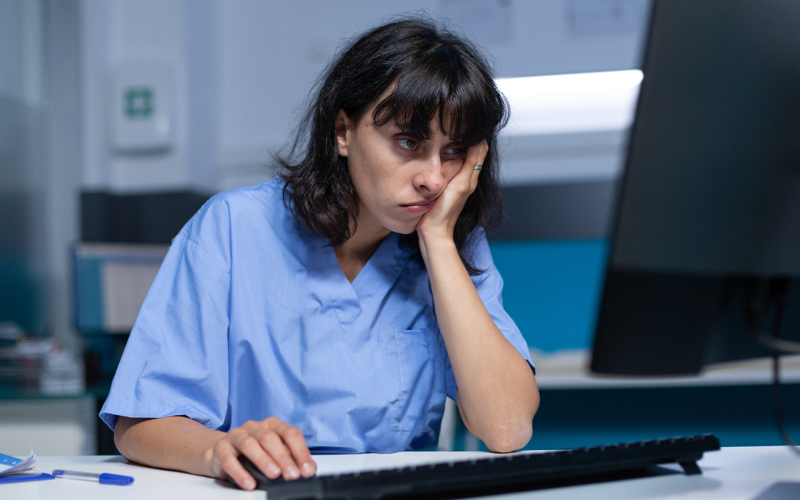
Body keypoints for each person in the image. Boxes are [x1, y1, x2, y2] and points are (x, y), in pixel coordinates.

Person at [101, 17, 539, 491]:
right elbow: (140, 424)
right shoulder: (233, 227)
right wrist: (216, 451)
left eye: (453, 152)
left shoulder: (452, 242)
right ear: (343, 131)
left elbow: (506, 428)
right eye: (408, 142)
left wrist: (437, 243)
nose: (433, 179)